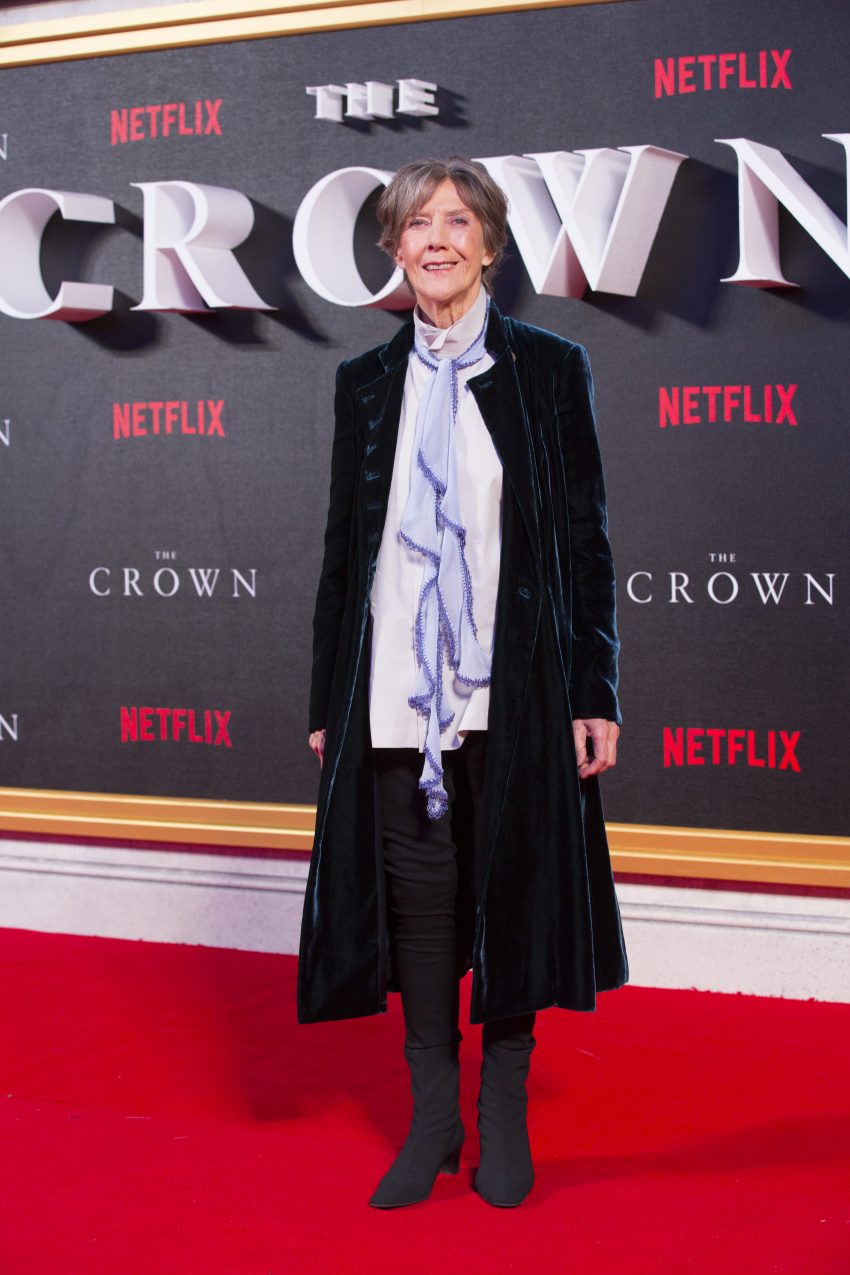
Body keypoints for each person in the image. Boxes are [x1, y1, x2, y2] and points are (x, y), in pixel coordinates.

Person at [298, 156, 628, 1210]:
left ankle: (504, 1108)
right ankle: (433, 1114)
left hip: (516, 686)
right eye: (415, 224)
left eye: (455, 221)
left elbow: (584, 541)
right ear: (394, 249)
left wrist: (594, 689)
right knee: (422, 904)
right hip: (397, 685)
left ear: (489, 242)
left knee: (513, 886)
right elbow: (344, 555)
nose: (435, 239)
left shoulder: (549, 368)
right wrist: (329, 701)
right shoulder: (364, 383)